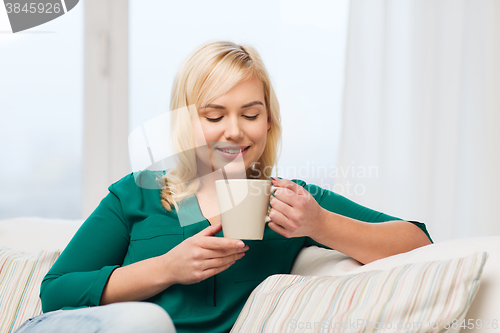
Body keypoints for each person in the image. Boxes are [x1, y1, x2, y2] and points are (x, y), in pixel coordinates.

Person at [14, 40, 433, 333]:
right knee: (147, 323)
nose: (234, 131)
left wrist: (321, 225)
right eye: (214, 116)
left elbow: (418, 242)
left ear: (268, 123)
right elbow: (55, 292)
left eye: (250, 114)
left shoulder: (289, 202)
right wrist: (166, 269)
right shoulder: (137, 193)